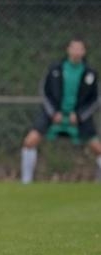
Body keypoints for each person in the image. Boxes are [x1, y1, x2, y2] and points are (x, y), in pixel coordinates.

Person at [21, 38, 100, 184]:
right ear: (68, 50)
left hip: (78, 117)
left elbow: (95, 99)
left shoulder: (90, 73)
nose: (76, 52)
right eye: (74, 48)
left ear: (84, 52)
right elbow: (44, 91)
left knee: (97, 148)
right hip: (53, 114)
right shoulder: (55, 69)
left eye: (80, 49)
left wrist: (79, 116)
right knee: (30, 141)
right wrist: (53, 113)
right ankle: (26, 182)